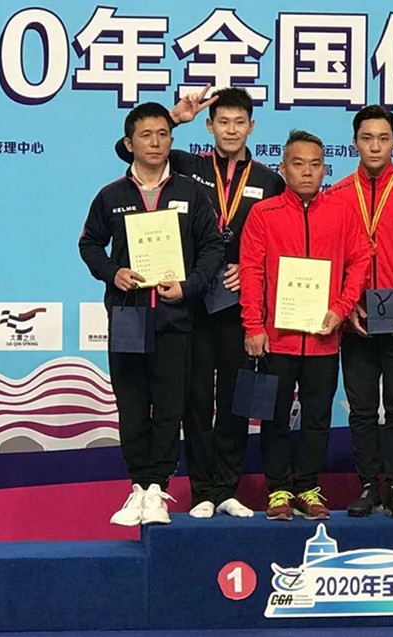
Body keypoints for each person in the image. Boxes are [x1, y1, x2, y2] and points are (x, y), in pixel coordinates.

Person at [115, 87, 285, 519]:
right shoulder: (187, 166)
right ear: (210, 126)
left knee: (233, 397)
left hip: (236, 303)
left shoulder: (269, 180)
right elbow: (130, 151)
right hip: (190, 301)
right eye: (222, 122)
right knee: (193, 399)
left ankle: (227, 487)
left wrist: (252, 269)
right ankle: (202, 490)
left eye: (239, 122)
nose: (231, 130)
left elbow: (279, 237)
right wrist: (173, 119)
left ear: (252, 126)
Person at [80, 102, 223, 526]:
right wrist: (113, 272)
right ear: (129, 144)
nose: (155, 143)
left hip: (175, 318)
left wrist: (189, 286)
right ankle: (138, 487)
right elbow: (89, 244)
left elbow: (213, 245)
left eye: (163, 134)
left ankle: (158, 488)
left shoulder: (190, 192)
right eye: (146, 135)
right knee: (131, 406)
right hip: (128, 317)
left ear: (171, 140)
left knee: (169, 409)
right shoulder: (111, 196)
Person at [240, 130, 371, 521]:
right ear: (283, 168)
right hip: (276, 339)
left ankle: (309, 486)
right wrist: (253, 324)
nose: (307, 172)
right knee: (275, 416)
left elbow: (360, 260)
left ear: (325, 169)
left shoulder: (342, 212)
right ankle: (279, 489)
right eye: (298, 164)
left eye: (315, 165)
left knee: (317, 416)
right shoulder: (264, 214)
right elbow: (251, 271)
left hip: (323, 338)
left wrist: (342, 307)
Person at [326, 105, 393, 519]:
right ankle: (369, 484)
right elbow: (331, 261)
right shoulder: (336, 196)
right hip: (356, 319)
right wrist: (344, 305)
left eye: (383, 138)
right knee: (362, 409)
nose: (375, 146)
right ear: (354, 142)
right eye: (367, 138)